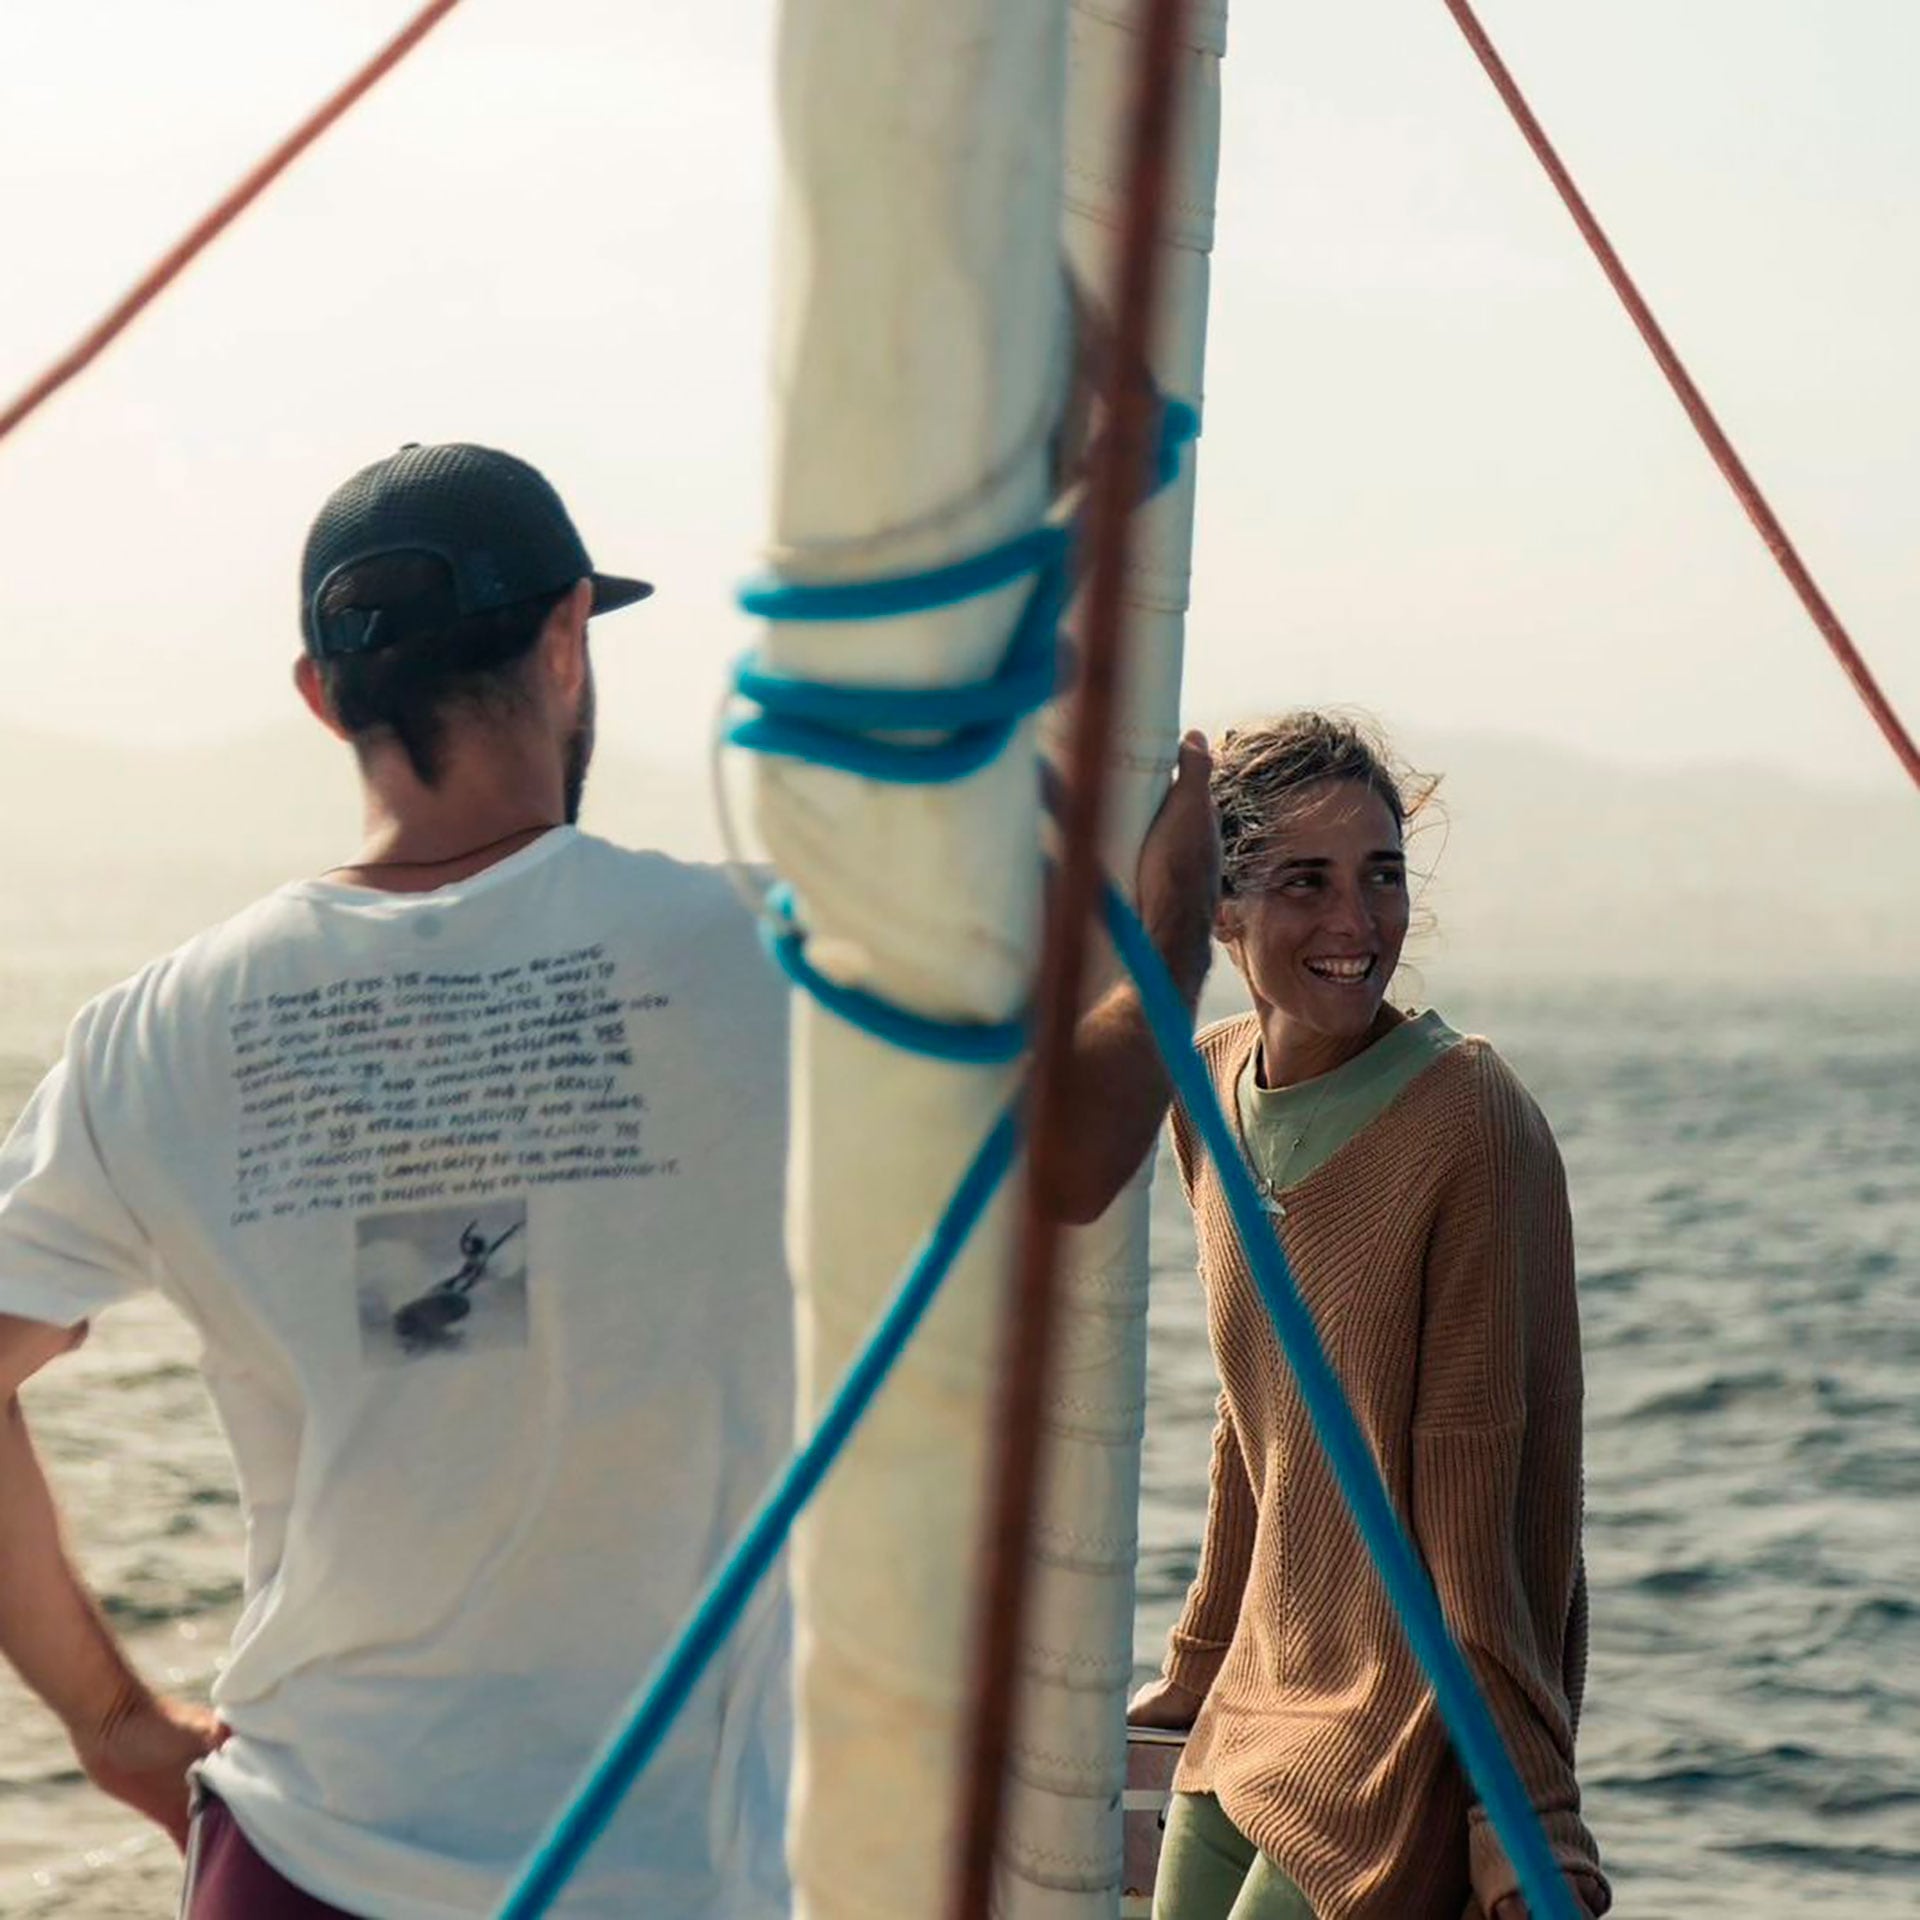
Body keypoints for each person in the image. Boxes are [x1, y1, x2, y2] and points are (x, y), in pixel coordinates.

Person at [0, 441, 1219, 1917]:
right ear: (569, 640)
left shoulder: (155, 1031)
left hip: (290, 1860)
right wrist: (1167, 936)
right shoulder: (759, 964)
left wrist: (113, 1724)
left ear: (324, 699)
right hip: (648, 1879)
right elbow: (1076, 1157)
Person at [1127, 712, 1609, 1920]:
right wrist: (1189, 1674)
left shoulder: (1472, 1126)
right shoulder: (1208, 1091)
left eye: (1381, 876)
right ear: (1222, 911)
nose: (1356, 924)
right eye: (1306, 883)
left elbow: (1488, 1495)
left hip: (1400, 1731)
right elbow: (1256, 1433)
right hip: (1249, 1710)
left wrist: (1524, 1808)